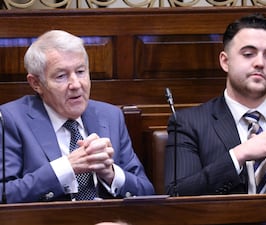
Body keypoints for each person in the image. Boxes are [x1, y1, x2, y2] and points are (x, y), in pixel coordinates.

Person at [0, 30, 154, 203]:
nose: (76, 84)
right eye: (61, 76)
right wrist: (66, 168)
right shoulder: (10, 119)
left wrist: (110, 173)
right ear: (36, 83)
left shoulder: (110, 116)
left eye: (80, 72)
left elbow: (146, 193)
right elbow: (3, 194)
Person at [165, 13, 266, 196]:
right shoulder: (188, 123)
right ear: (225, 61)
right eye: (248, 54)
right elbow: (178, 193)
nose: (260, 63)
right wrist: (239, 155)